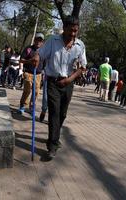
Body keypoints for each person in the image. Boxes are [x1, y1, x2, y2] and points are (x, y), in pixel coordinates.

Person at [32, 16, 87, 158]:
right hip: (53, 82)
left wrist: (69, 80)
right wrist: (37, 57)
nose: (73, 34)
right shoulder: (52, 41)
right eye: (71, 30)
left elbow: (83, 67)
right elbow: (40, 54)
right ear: (64, 28)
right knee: (54, 113)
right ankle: (52, 145)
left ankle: (54, 137)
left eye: (76, 31)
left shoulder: (80, 45)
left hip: (68, 83)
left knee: (62, 114)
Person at [19, 33, 45, 113]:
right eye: (37, 39)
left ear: (42, 42)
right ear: (34, 40)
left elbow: (45, 62)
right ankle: (23, 105)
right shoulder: (28, 49)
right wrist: (29, 61)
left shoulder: (44, 50)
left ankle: (32, 107)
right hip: (28, 72)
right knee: (27, 90)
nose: (38, 42)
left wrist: (44, 72)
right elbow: (21, 60)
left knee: (36, 92)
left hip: (38, 74)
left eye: (40, 40)